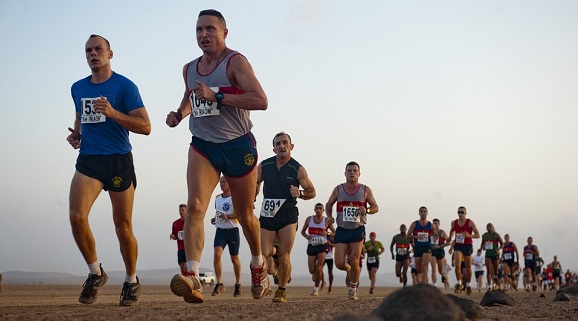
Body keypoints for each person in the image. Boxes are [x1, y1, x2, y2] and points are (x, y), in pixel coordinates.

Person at [166, 9, 269, 304]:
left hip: (238, 146)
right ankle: (193, 276)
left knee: (246, 215)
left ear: (225, 33)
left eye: (210, 29)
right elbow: (191, 97)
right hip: (203, 146)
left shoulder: (235, 62)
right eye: (199, 29)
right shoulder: (189, 68)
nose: (203, 34)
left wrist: (219, 96)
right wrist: (179, 114)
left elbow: (261, 100)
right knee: (196, 206)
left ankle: (258, 263)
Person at [67, 34, 151, 306]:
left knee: (123, 227)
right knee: (77, 217)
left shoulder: (125, 86)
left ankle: (131, 280)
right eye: (89, 50)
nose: (94, 54)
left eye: (98, 49)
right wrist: (77, 134)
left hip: (118, 160)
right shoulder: (77, 87)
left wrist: (114, 113)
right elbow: (81, 113)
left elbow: (146, 126)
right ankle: (95, 273)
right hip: (89, 160)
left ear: (110, 54)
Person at [256, 132, 316, 303]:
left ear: (291, 146)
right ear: (274, 148)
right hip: (268, 214)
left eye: (285, 143)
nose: (281, 146)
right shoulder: (264, 165)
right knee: (265, 253)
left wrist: (301, 193)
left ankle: (281, 289)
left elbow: (312, 191)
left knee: (285, 255)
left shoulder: (297, 169)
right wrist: (253, 195)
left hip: (288, 214)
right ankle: (273, 253)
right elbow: (256, 182)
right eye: (278, 144)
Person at [326, 161, 379, 300]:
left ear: (359, 173)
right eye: (349, 170)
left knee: (355, 260)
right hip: (342, 229)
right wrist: (330, 216)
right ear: (345, 173)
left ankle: (353, 288)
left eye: (355, 170)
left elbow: (375, 207)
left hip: (357, 229)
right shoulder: (338, 189)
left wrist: (366, 210)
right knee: (339, 263)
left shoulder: (365, 190)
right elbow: (329, 204)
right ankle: (349, 270)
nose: (352, 172)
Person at [209, 176, 242, 297]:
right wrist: (215, 219)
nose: (222, 184)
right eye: (221, 182)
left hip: (232, 231)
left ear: (229, 183)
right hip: (220, 231)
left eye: (224, 182)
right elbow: (218, 212)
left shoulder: (235, 196)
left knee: (234, 259)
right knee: (217, 255)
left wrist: (228, 217)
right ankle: (219, 283)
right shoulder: (217, 198)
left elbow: (239, 213)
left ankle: (238, 284)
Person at [301, 203, 335, 296]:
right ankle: (317, 275)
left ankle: (316, 289)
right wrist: (307, 236)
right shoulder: (309, 219)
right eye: (317, 208)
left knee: (319, 267)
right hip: (312, 245)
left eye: (320, 208)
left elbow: (335, 233)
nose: (318, 210)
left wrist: (327, 233)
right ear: (314, 210)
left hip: (322, 246)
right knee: (312, 270)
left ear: (323, 210)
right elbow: (302, 232)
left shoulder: (326, 221)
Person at [448, 206, 480, 295]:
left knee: (468, 267)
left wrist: (469, 236)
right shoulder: (454, 223)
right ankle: (459, 283)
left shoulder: (470, 223)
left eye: (462, 212)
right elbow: (451, 231)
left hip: (467, 245)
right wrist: (450, 237)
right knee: (457, 265)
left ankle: (469, 285)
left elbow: (478, 235)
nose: (460, 214)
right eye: (459, 212)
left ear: (466, 213)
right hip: (458, 245)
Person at [407, 207, 436, 285]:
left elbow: (435, 234)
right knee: (419, 269)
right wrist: (416, 237)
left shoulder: (430, 225)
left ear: (427, 213)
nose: (423, 213)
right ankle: (425, 280)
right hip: (418, 247)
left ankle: (424, 285)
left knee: (424, 266)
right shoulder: (414, 224)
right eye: (421, 211)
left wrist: (434, 235)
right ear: (419, 213)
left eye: (424, 211)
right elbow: (408, 235)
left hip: (427, 247)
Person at [480, 223, 504, 291]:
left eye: (490, 226)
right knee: (489, 270)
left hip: (495, 254)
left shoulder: (496, 235)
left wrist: (498, 249)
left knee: (495, 271)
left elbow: (502, 244)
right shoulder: (484, 236)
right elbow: (482, 244)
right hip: (488, 254)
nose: (489, 227)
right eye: (487, 226)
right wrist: (482, 248)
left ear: (493, 227)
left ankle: (495, 284)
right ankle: (489, 286)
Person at [430, 218, 450, 288]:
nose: (435, 225)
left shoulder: (442, 232)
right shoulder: (430, 232)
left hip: (440, 251)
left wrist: (440, 245)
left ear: (439, 224)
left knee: (440, 271)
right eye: (434, 223)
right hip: (432, 252)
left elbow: (448, 242)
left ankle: (444, 275)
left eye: (436, 223)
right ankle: (434, 285)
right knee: (433, 269)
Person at [170, 204, 188, 274]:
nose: (181, 212)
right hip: (180, 248)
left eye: (182, 210)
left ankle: (189, 281)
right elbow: (175, 236)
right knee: (182, 267)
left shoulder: (190, 222)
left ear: (186, 211)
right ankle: (184, 282)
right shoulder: (175, 223)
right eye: (180, 210)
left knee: (186, 267)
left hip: (189, 248)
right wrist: (173, 236)